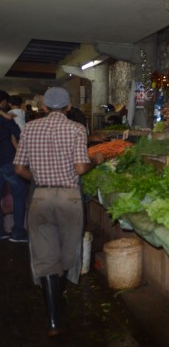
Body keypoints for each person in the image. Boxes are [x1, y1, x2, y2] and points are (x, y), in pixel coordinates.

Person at [13, 87, 104, 337]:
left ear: (43, 107)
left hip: (40, 197)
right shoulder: (76, 129)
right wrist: (96, 161)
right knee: (67, 255)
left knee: (45, 258)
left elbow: (19, 169)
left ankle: (54, 321)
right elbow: (80, 168)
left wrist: (38, 179)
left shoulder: (29, 129)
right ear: (68, 107)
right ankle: (58, 296)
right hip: (69, 198)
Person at [0, 90, 28, 243]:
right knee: (19, 193)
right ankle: (17, 232)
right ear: (4, 102)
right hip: (7, 160)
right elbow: (18, 133)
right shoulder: (6, 120)